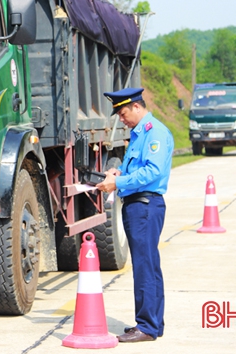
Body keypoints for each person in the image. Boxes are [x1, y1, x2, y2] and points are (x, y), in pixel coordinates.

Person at [95, 87, 174, 343]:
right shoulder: (138, 134)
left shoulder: (155, 133)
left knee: (144, 265)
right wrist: (119, 176)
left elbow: (151, 172)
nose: (121, 118)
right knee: (148, 264)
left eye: (123, 112)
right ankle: (153, 323)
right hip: (138, 205)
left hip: (145, 206)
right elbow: (136, 170)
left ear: (137, 107)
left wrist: (118, 184)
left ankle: (147, 326)